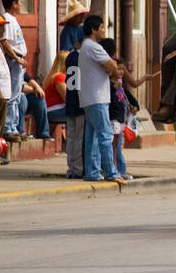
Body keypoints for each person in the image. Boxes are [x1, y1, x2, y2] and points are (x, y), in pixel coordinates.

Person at [78, 14, 125, 184]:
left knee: (92, 137)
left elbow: (107, 67)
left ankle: (92, 171)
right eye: (102, 27)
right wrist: (113, 71)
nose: (104, 30)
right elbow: (112, 65)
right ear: (94, 29)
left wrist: (109, 70)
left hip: (89, 97)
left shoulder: (85, 46)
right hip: (98, 98)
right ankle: (111, 172)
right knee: (105, 135)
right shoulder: (94, 46)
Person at [0, 0, 28, 140]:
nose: (21, 5)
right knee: (12, 94)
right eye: (19, 2)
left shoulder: (13, 20)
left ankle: (14, 126)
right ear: (13, 4)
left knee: (17, 95)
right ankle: (9, 127)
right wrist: (16, 58)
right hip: (13, 61)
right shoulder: (7, 19)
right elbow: (5, 42)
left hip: (18, 60)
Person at [63, 45, 84, 178]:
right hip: (80, 102)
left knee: (70, 138)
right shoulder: (84, 57)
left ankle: (71, 168)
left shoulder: (70, 57)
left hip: (70, 100)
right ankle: (78, 169)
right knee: (79, 138)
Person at [18, 67, 51, 141]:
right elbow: (17, 87)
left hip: (25, 103)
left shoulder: (19, 63)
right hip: (12, 103)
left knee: (39, 98)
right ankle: (20, 133)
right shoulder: (8, 63)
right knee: (22, 98)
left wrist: (37, 87)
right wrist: (34, 89)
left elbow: (27, 77)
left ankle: (43, 134)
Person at [43, 51, 68, 134]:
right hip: (53, 111)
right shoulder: (60, 77)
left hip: (50, 109)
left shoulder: (52, 76)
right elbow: (67, 99)